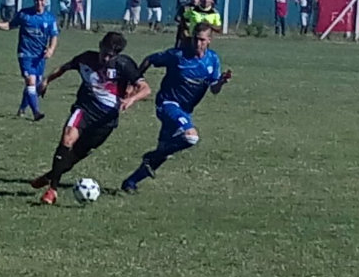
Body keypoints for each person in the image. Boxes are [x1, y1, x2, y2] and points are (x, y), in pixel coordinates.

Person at [31, 32, 151, 204]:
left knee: (72, 158)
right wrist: (46, 80)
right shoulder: (86, 58)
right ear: (100, 46)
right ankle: (52, 190)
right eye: (105, 52)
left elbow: (146, 89)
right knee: (67, 138)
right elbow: (64, 68)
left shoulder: (124, 64)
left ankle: (50, 176)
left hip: (106, 121)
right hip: (85, 109)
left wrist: (131, 99)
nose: (106, 57)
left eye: (111, 55)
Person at [121, 22, 231, 192]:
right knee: (191, 137)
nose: (198, 43)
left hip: (185, 110)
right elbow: (150, 59)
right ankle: (151, 156)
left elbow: (214, 89)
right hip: (167, 104)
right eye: (195, 39)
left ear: (209, 40)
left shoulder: (213, 60)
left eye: (202, 40)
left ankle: (130, 182)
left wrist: (222, 81)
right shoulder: (178, 55)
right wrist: (135, 82)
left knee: (163, 152)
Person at [0, 0, 58, 120]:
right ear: (33, 0)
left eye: (41, 0)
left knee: (35, 84)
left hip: (40, 56)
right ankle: (36, 113)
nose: (39, 3)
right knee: (30, 80)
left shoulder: (50, 18)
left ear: (46, 1)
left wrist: (51, 49)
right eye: (36, 0)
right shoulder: (24, 14)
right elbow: (9, 26)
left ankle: (23, 108)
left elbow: (54, 36)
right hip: (25, 53)